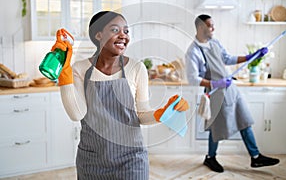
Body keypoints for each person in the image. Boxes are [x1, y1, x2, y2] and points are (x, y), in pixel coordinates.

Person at [51, 11, 189, 179]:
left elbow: (141, 114)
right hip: (92, 160)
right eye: (115, 30)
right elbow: (76, 114)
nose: (123, 35)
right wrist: (65, 76)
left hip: (131, 159)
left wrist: (162, 113)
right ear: (98, 34)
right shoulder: (80, 69)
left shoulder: (136, 68)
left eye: (126, 31)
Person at [185, 14, 279, 173]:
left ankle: (255, 157)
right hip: (215, 92)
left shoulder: (214, 42)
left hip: (230, 88)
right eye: (210, 25)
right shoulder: (193, 51)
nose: (213, 28)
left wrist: (252, 56)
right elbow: (193, 78)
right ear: (200, 28)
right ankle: (211, 157)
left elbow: (227, 59)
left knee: (244, 120)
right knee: (216, 127)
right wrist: (215, 83)